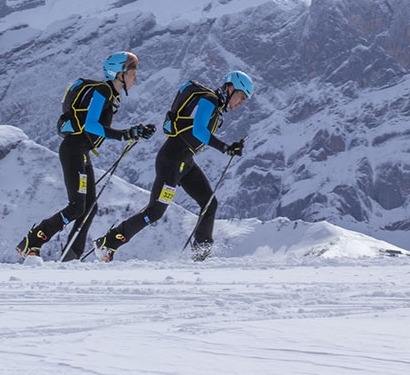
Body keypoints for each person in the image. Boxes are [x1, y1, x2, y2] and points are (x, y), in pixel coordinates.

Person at [92, 70, 253, 263]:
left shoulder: (216, 107)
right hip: (172, 160)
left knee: (209, 203)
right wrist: (225, 148)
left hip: (185, 162)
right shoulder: (209, 100)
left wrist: (227, 148)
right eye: (241, 97)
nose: (241, 102)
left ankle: (201, 254)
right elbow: (199, 130)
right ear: (231, 88)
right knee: (154, 212)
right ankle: (108, 243)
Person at [16, 51, 155, 262]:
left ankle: (71, 257)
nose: (136, 77)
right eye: (133, 72)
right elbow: (91, 125)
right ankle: (32, 241)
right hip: (73, 150)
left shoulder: (111, 95)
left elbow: (96, 129)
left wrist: (134, 132)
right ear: (119, 74)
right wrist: (125, 134)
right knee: (77, 206)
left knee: (90, 207)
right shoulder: (102, 90)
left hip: (80, 151)